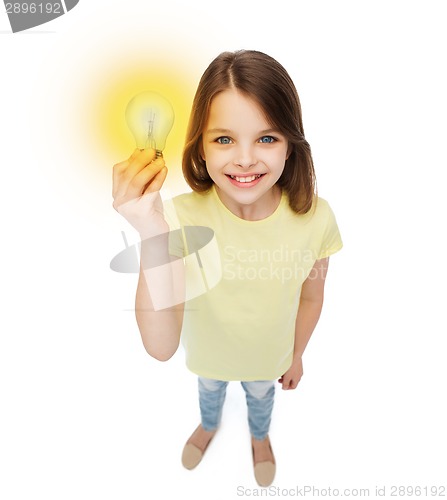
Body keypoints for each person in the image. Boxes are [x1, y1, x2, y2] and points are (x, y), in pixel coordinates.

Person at [112, 50, 343, 487]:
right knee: (210, 396)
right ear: (199, 144)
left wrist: (296, 355)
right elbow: (161, 347)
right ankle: (209, 425)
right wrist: (149, 232)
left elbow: (312, 295)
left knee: (261, 401)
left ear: (292, 143)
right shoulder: (176, 220)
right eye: (223, 140)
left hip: (268, 361)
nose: (245, 159)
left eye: (267, 138)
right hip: (209, 360)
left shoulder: (317, 219)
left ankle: (260, 438)